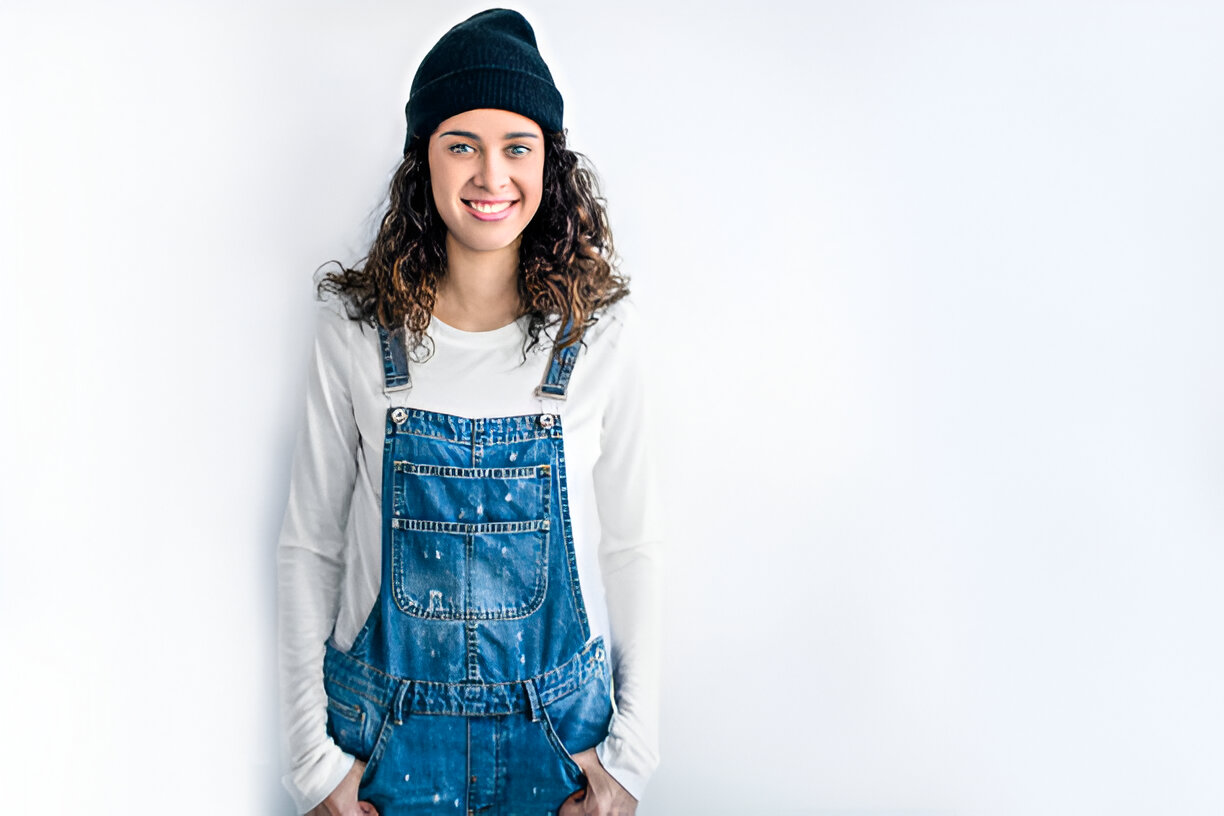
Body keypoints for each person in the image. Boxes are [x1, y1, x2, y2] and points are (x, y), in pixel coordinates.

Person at [276, 9, 662, 816]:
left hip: (559, 744)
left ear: (549, 164)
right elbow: (310, 546)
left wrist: (632, 762)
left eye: (517, 147)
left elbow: (634, 547)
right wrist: (312, 765)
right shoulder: (354, 331)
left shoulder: (598, 337)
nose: (491, 177)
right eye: (463, 145)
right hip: (380, 744)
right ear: (425, 158)